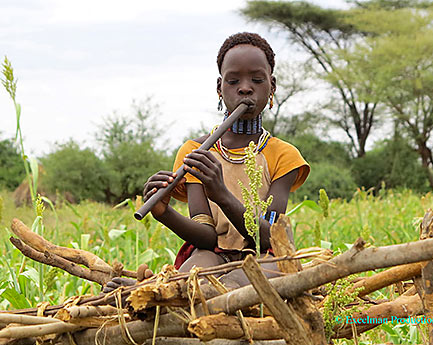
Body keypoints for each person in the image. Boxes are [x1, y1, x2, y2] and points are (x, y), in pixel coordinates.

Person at [104, 32, 309, 292]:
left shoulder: (283, 155)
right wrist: (163, 213)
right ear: (219, 89)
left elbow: (268, 236)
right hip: (214, 255)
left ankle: (170, 291)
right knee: (193, 276)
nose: (245, 88)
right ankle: (150, 291)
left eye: (257, 80)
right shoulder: (194, 152)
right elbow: (207, 235)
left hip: (266, 257)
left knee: (245, 281)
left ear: (272, 86)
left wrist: (221, 193)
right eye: (233, 81)